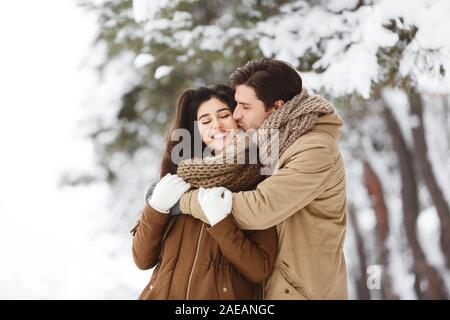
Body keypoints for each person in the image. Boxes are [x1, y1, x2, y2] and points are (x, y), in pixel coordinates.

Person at [178, 58, 348, 299]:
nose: (236, 115)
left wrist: (184, 201)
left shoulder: (314, 149)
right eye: (236, 105)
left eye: (245, 107)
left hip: (303, 291)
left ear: (277, 107)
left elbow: (260, 208)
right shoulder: (270, 145)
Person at [131, 84, 277, 299]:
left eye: (224, 115)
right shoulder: (177, 182)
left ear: (237, 118)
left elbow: (259, 269)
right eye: (206, 121)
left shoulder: (259, 182)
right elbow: (142, 259)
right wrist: (157, 207)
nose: (216, 126)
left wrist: (221, 222)